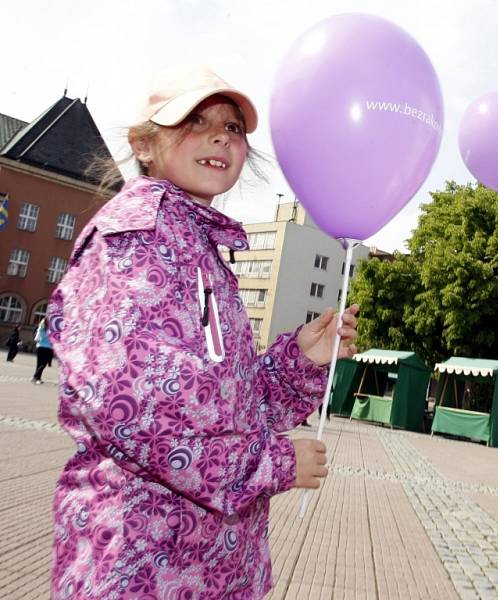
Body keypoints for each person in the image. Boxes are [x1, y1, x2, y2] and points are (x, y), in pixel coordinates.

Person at [47, 65, 359, 600]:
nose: (220, 135)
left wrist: (301, 359)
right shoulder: (136, 240)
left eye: (233, 127)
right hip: (142, 565)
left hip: (207, 566)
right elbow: (136, 412)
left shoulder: (195, 246)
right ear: (144, 144)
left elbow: (229, 404)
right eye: (194, 121)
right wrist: (274, 463)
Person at [32, 318, 53, 382]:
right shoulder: (51, 330)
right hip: (48, 348)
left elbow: (36, 338)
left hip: (40, 347)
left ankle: (38, 378)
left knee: (39, 363)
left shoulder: (40, 329)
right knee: (43, 364)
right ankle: (35, 376)